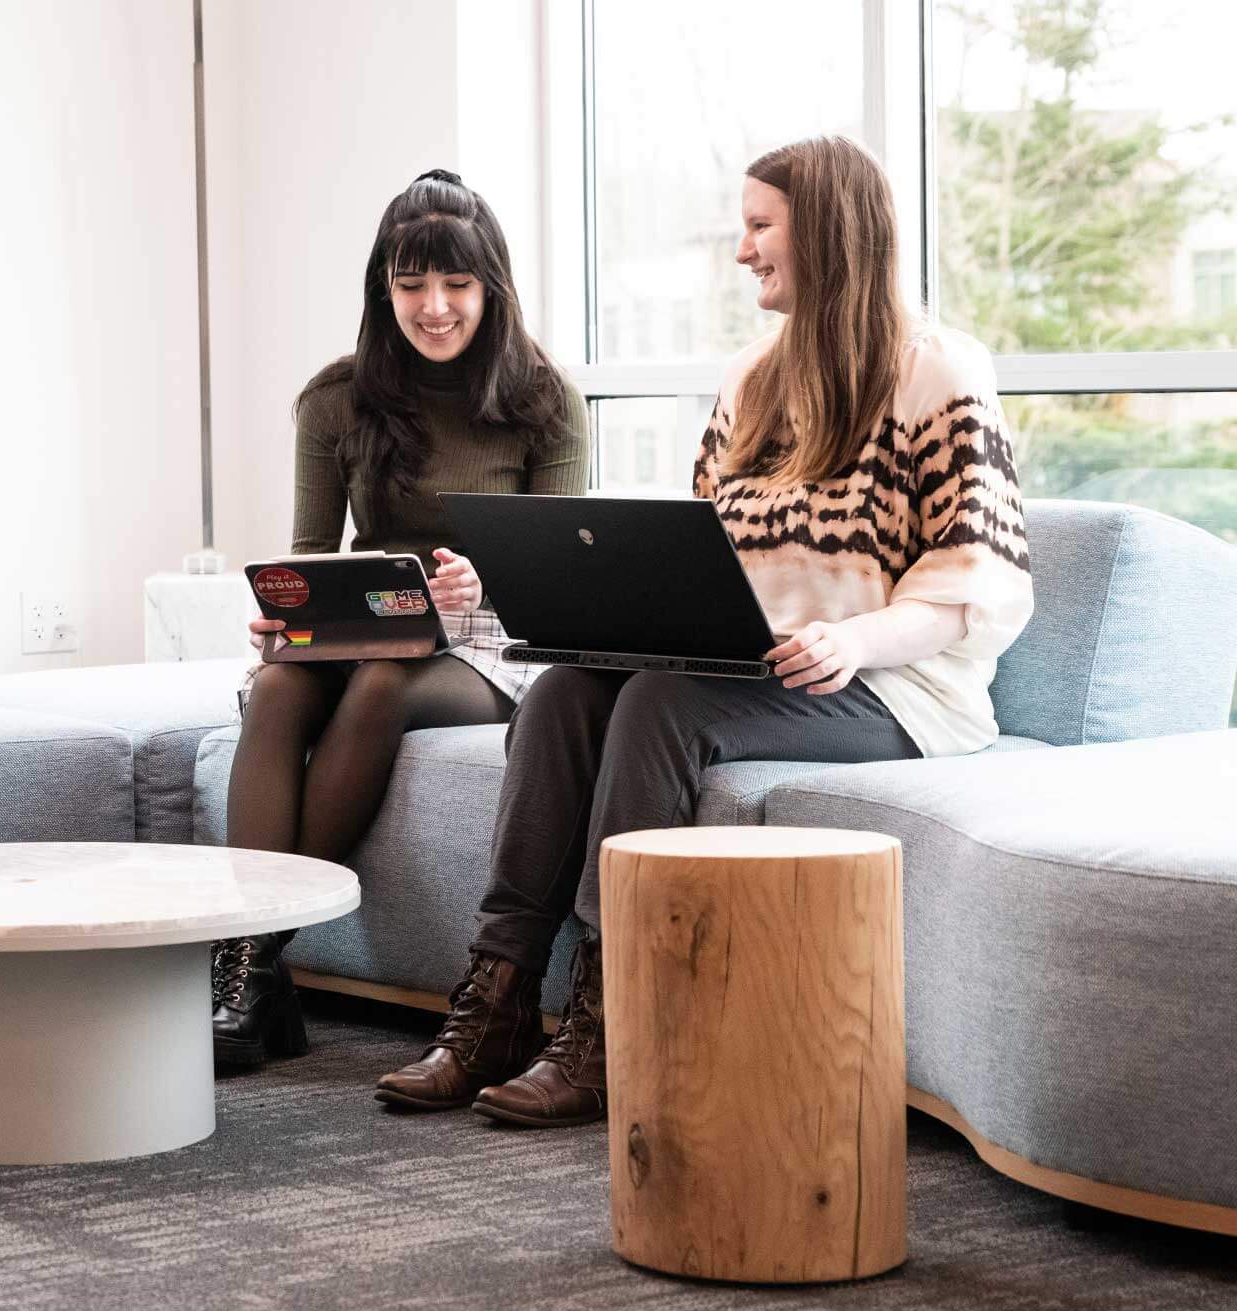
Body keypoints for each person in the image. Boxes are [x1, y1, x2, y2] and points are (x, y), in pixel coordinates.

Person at [373, 135, 1033, 1123]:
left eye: (760, 227)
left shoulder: (940, 371)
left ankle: (612, 1020)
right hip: (754, 660)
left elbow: (976, 576)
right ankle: (499, 997)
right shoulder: (749, 381)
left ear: (825, 233)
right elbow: (707, 553)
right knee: (561, 690)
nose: (742, 252)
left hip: (895, 682)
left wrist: (857, 640)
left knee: (661, 704)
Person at [212, 171, 588, 1068]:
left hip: (494, 639)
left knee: (382, 685)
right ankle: (250, 965)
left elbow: (562, 587)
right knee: (276, 688)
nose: (435, 307)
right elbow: (308, 552)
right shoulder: (335, 399)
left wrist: (479, 594)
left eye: (456, 286)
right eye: (412, 284)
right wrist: (282, 614)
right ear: (384, 287)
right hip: (365, 621)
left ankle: (253, 963)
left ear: (491, 288)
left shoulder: (544, 399)